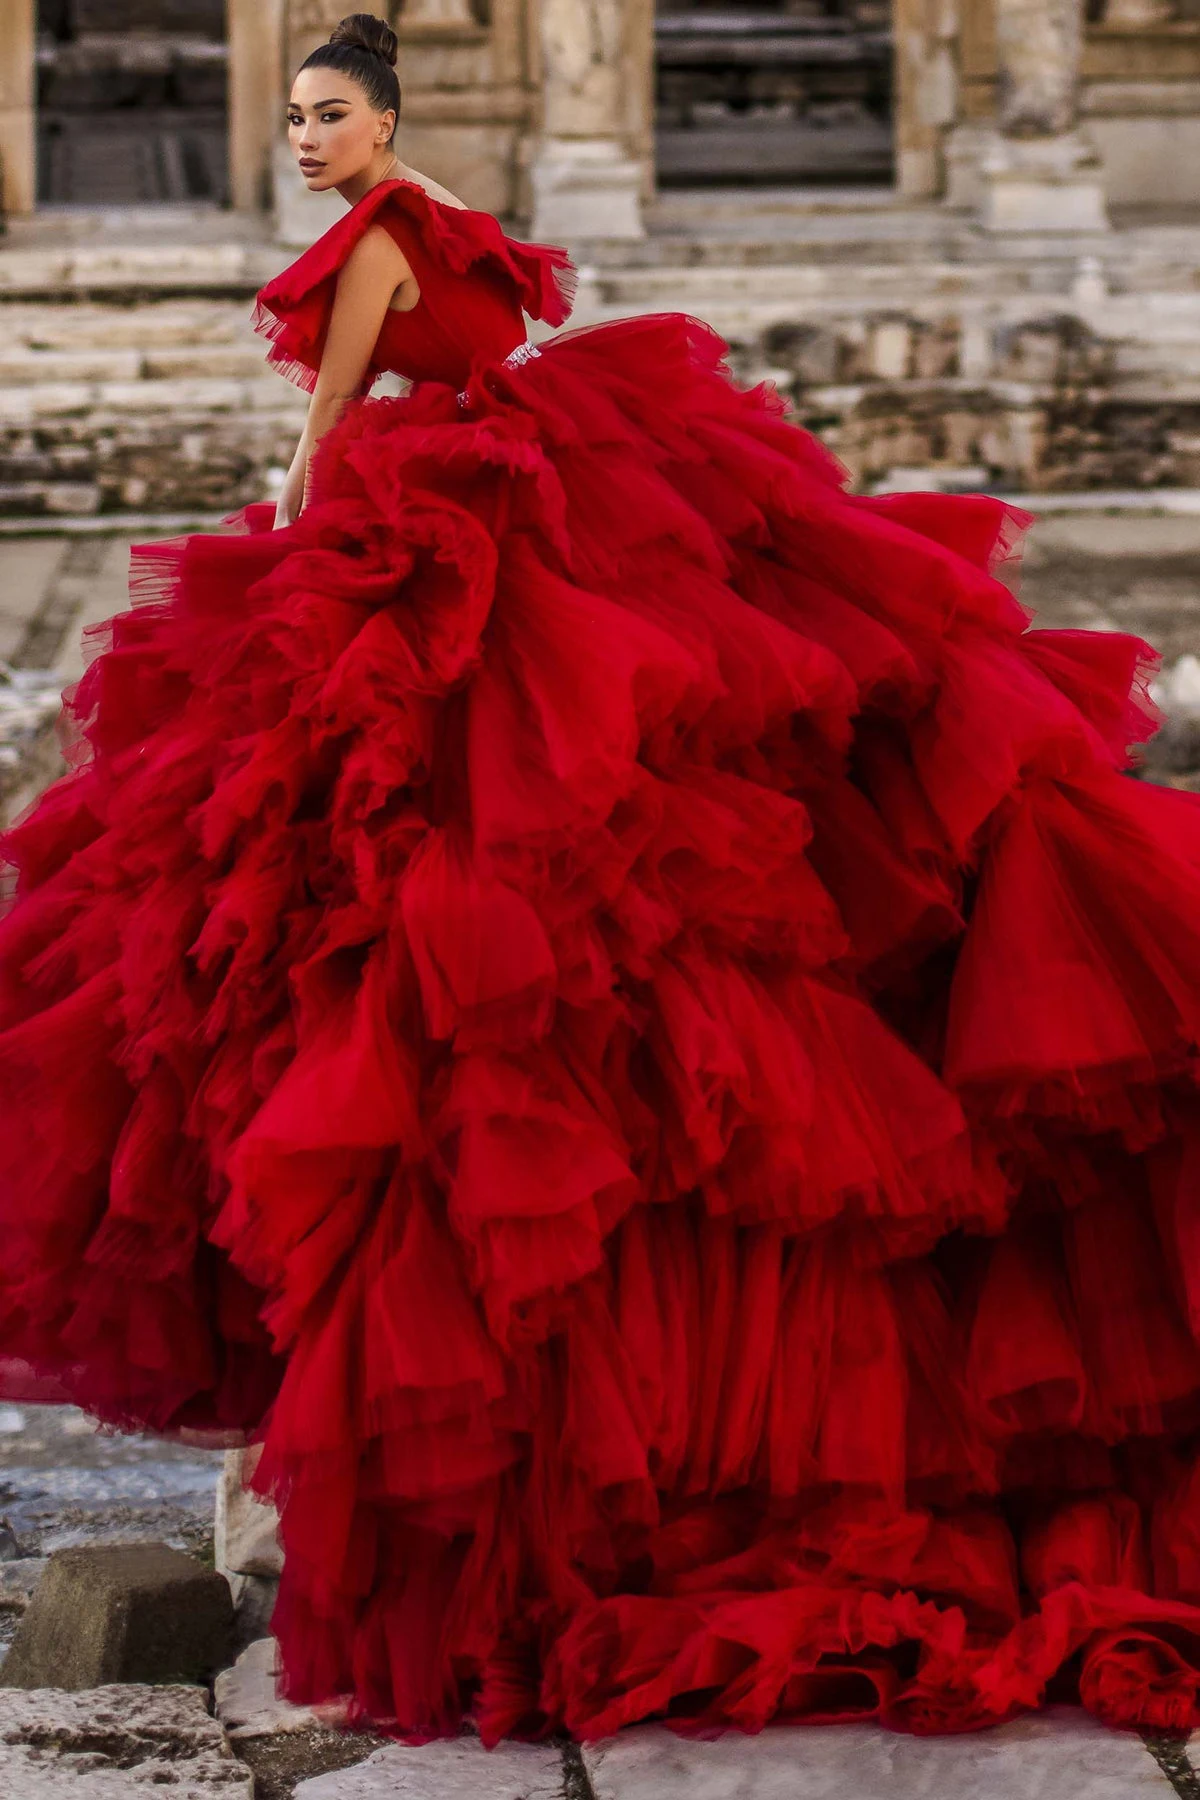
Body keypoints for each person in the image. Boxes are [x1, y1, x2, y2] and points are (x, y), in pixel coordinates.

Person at [4, 6, 1200, 1746]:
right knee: (629, 879)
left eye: (329, 116)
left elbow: (330, 422)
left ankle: (519, 1429)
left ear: (384, 118)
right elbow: (513, 339)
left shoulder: (372, 245)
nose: (307, 141)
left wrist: (280, 556)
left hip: (448, 533)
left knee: (450, 915)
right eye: (303, 120)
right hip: (555, 492)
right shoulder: (462, 226)